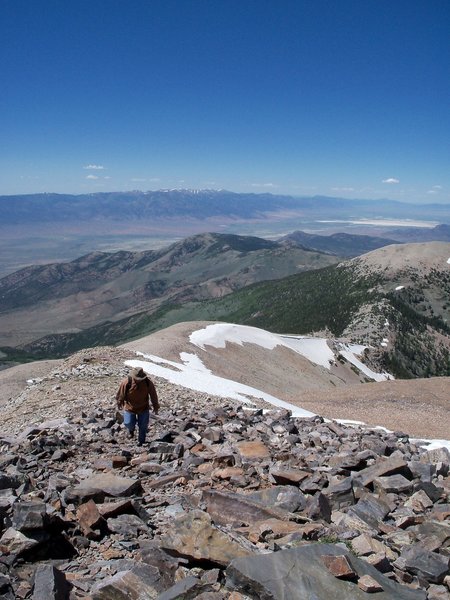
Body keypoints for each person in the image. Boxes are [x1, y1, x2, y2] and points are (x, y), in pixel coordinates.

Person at [116, 367, 159, 446]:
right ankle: (131, 430)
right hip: (130, 407)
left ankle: (141, 442)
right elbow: (121, 393)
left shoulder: (147, 382)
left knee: (143, 426)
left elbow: (153, 394)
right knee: (128, 423)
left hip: (143, 407)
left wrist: (155, 405)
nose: (138, 380)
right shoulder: (127, 382)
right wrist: (119, 401)